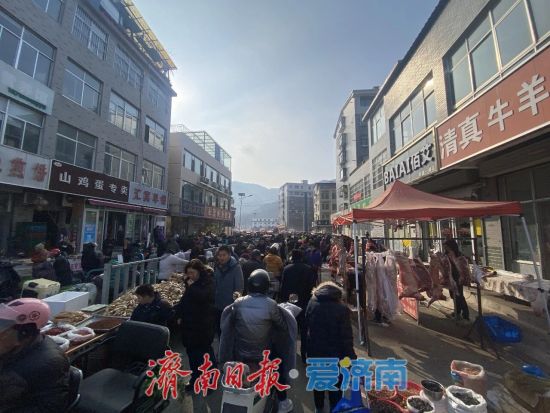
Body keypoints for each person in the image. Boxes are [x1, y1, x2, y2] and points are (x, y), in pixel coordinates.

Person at [219, 270, 293, 413]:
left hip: (241, 353)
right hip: (263, 354)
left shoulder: (238, 303)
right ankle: (283, 402)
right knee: (279, 366)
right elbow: (283, 327)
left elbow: (230, 325)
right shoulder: (271, 304)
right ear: (266, 286)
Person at [0, 298, 70, 412]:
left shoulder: (49, 363)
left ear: (25, 332)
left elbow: (50, 407)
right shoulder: (12, 347)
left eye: (3, 327)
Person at [304, 281, 356, 413]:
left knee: (318, 382)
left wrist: (305, 351)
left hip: (315, 351)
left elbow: (306, 329)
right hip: (336, 354)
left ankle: (319, 407)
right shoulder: (341, 309)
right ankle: (334, 408)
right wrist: (351, 357)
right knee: (335, 385)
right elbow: (346, 337)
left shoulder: (312, 303)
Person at [174, 260, 216, 391]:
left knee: (205, 355)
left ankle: (210, 381)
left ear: (199, 271)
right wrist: (179, 315)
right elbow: (185, 301)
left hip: (203, 326)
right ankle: (195, 379)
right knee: (192, 355)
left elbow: (203, 297)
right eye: (188, 273)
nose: (190, 276)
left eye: (192, 273)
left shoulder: (208, 282)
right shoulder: (190, 284)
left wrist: (191, 287)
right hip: (189, 326)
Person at [280, 249, 317, 362]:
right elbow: (312, 286)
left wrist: (283, 301)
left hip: (291, 302)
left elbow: (283, 286)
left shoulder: (287, 269)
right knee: (304, 329)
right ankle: (304, 352)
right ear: (301, 257)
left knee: (291, 329)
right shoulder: (308, 269)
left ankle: (290, 352)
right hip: (304, 301)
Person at [214, 245, 244, 335]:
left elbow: (239, 287)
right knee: (219, 330)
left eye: (224, 255)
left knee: (229, 332)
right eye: (219, 255)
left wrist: (236, 305)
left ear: (229, 255)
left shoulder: (236, 267)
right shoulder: (217, 266)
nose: (221, 257)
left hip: (230, 306)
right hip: (218, 305)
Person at [444, 239, 470, 321]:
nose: (446, 248)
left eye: (447, 247)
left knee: (459, 295)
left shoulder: (459, 255)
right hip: (450, 277)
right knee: (453, 295)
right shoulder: (447, 254)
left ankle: (465, 314)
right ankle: (457, 312)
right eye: (445, 247)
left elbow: (463, 266)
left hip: (457, 277)